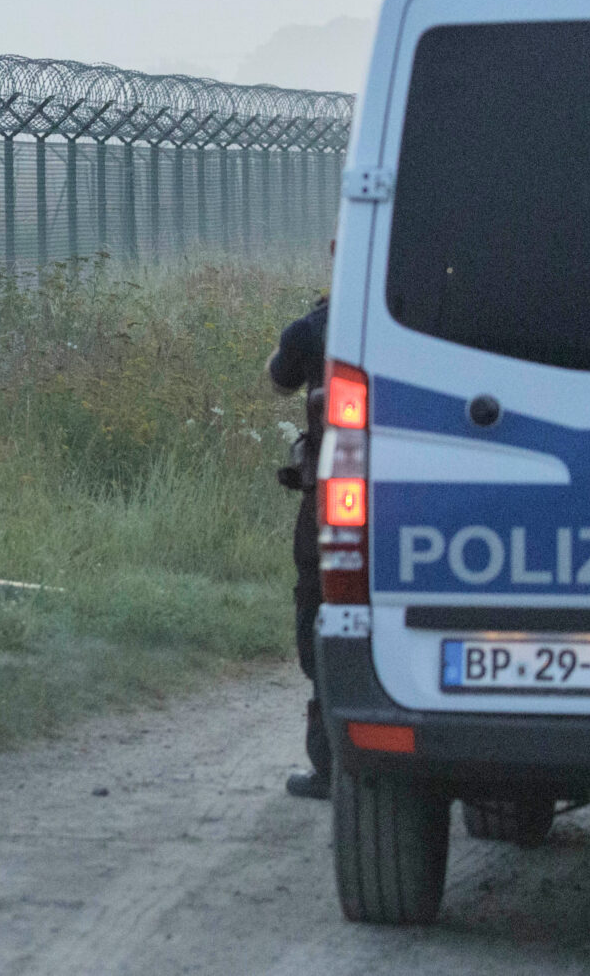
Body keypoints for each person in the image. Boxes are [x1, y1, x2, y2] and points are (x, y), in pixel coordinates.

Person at [268, 272, 333, 800]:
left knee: (319, 606)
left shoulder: (310, 329)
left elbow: (279, 379)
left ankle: (330, 766)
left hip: (333, 498)